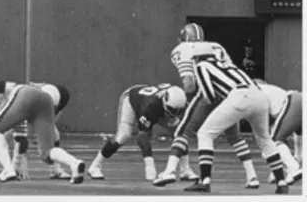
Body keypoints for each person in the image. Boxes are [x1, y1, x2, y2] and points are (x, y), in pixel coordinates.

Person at [153, 23, 259, 189]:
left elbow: (189, 84)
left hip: (207, 91)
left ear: (183, 37)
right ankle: (252, 176)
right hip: (229, 93)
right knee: (234, 136)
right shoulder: (217, 46)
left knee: (183, 130)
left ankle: (169, 171)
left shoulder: (182, 49)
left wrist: (190, 104)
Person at [182, 52, 288, 194]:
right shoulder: (229, 65)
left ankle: (205, 180)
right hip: (259, 95)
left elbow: (208, 95)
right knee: (264, 138)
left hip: (239, 96)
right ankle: (281, 181)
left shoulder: (202, 66)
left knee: (204, 134)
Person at [0, 77, 85, 183]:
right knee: (46, 152)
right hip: (46, 100)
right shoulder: (14, 104)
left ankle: (7, 169)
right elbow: (21, 137)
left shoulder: (5, 95)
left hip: (26, 95)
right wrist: (17, 163)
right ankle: (74, 163)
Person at [88, 84, 186, 181]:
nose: (175, 114)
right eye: (173, 110)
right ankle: (95, 166)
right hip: (131, 99)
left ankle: (185, 169)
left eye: (179, 111)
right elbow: (142, 137)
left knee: (180, 132)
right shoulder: (152, 105)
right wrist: (149, 165)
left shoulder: (178, 100)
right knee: (124, 136)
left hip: (152, 103)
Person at [254, 79, 302, 184]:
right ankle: (291, 168)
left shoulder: (255, 92)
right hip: (298, 101)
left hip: (293, 102)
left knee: (272, 142)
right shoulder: (271, 91)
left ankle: (294, 168)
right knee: (297, 140)